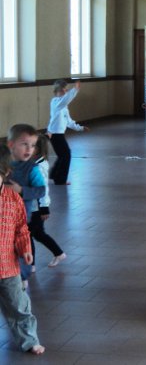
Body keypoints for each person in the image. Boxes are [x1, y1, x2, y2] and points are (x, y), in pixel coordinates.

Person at [0, 144, 45, 355]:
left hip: (8, 267)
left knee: (19, 306)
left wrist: (25, 249)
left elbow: (21, 229)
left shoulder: (13, 199)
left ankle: (29, 340)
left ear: (6, 173)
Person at [6, 124, 46, 289]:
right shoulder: (4, 164)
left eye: (33, 145)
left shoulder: (32, 168)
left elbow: (41, 190)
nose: (29, 149)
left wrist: (21, 190)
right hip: (3, 215)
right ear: (11, 145)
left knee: (20, 246)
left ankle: (22, 276)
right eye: (24, 144)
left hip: (20, 217)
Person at [30, 134, 67, 269]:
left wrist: (44, 207)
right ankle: (59, 253)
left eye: (31, 146)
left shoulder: (40, 166)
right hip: (33, 206)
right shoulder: (32, 163)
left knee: (27, 235)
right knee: (38, 234)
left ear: (38, 149)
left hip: (36, 208)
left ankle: (30, 265)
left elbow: (43, 188)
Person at [47, 79, 88, 185]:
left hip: (58, 134)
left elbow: (68, 121)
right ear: (59, 90)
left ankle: (54, 174)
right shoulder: (55, 102)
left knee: (63, 155)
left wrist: (80, 128)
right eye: (65, 89)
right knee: (66, 155)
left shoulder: (63, 106)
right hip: (54, 134)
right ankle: (60, 179)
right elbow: (66, 99)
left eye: (66, 90)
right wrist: (75, 90)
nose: (66, 91)